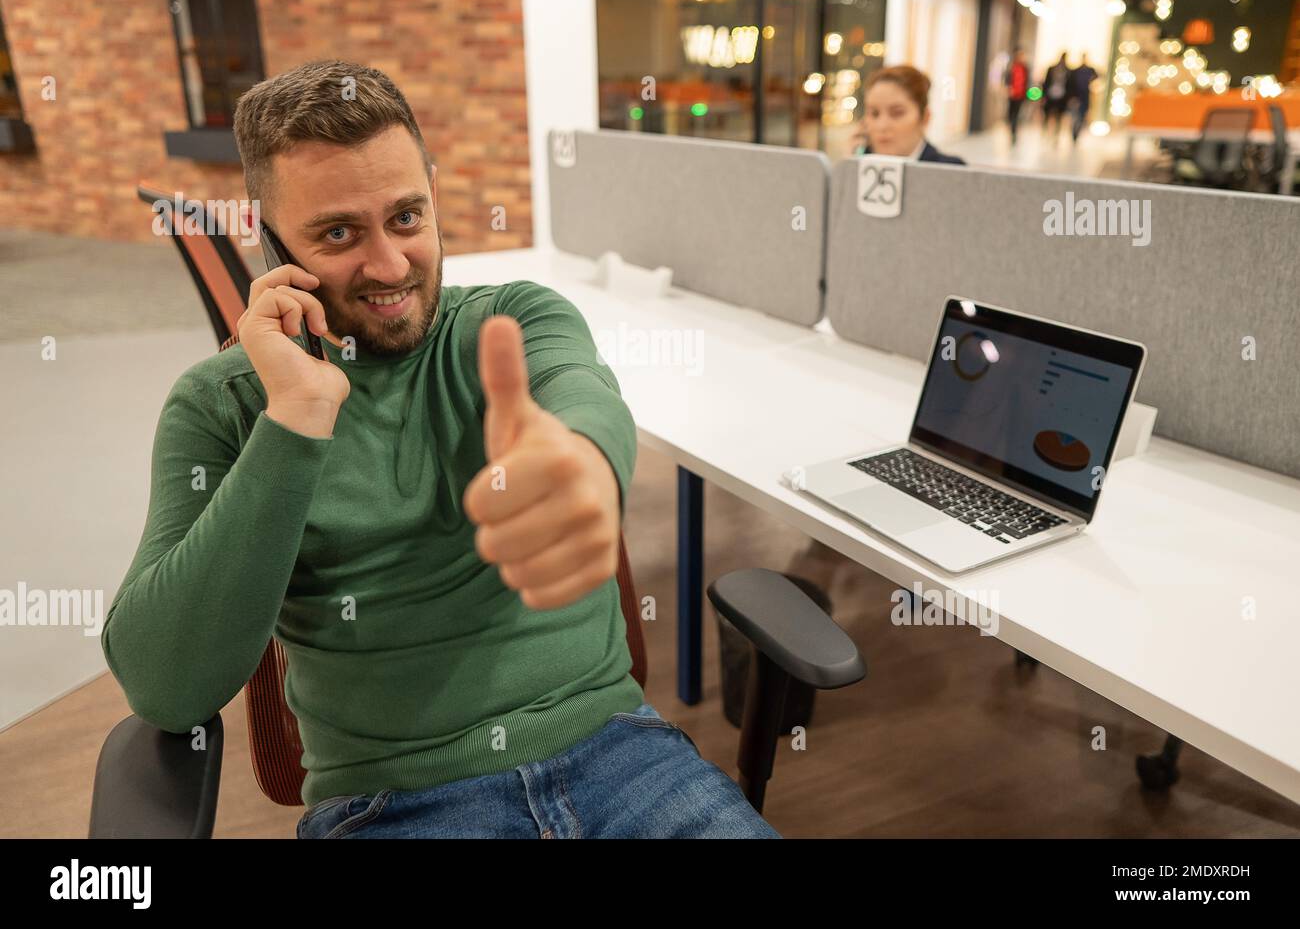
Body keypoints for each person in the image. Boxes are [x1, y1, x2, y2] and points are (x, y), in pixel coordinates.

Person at [102, 59, 780, 840]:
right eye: (337, 234)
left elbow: (583, 401)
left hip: (623, 758)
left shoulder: (514, 321)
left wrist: (581, 473)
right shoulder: (220, 405)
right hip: (395, 804)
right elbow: (166, 685)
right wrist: (293, 419)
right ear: (270, 244)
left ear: (432, 193)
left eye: (406, 217)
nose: (389, 266)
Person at [851, 64, 965, 164]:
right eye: (874, 114)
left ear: (925, 118)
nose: (882, 126)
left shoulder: (952, 171)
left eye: (897, 113)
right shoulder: (855, 165)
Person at [1068, 58, 1099, 143]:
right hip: (1076, 98)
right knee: (1075, 117)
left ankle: (1076, 134)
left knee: (1081, 117)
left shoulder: (1090, 70)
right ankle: (1074, 133)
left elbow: (1097, 76)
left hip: (1085, 97)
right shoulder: (1075, 71)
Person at [1041, 52, 1070, 139]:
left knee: (1059, 116)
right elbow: (1046, 83)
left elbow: (1069, 85)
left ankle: (1056, 134)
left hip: (1062, 97)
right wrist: (1043, 96)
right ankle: (1046, 131)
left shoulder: (1068, 71)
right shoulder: (1051, 69)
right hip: (1051, 95)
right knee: (1048, 114)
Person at [1005, 49, 1030, 144]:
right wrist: (1008, 89)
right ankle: (1012, 129)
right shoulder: (1012, 67)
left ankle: (1014, 131)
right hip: (1012, 95)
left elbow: (1027, 82)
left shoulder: (1025, 68)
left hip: (1021, 95)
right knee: (1011, 114)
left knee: (1017, 114)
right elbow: (1008, 79)